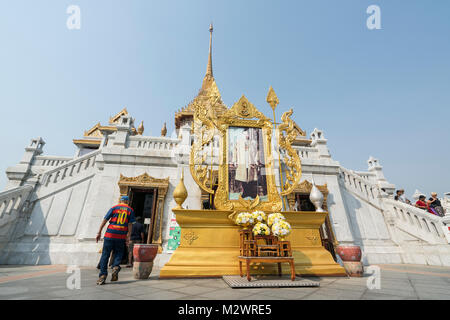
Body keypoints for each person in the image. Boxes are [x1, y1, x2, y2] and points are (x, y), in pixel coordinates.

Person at [95, 195, 135, 285]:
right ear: (127, 202)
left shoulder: (114, 208)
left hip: (110, 234)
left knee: (105, 255)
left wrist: (99, 231)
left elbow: (105, 220)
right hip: (121, 235)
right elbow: (130, 224)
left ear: (120, 200)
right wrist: (128, 236)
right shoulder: (130, 210)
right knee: (119, 253)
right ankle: (116, 267)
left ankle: (102, 276)